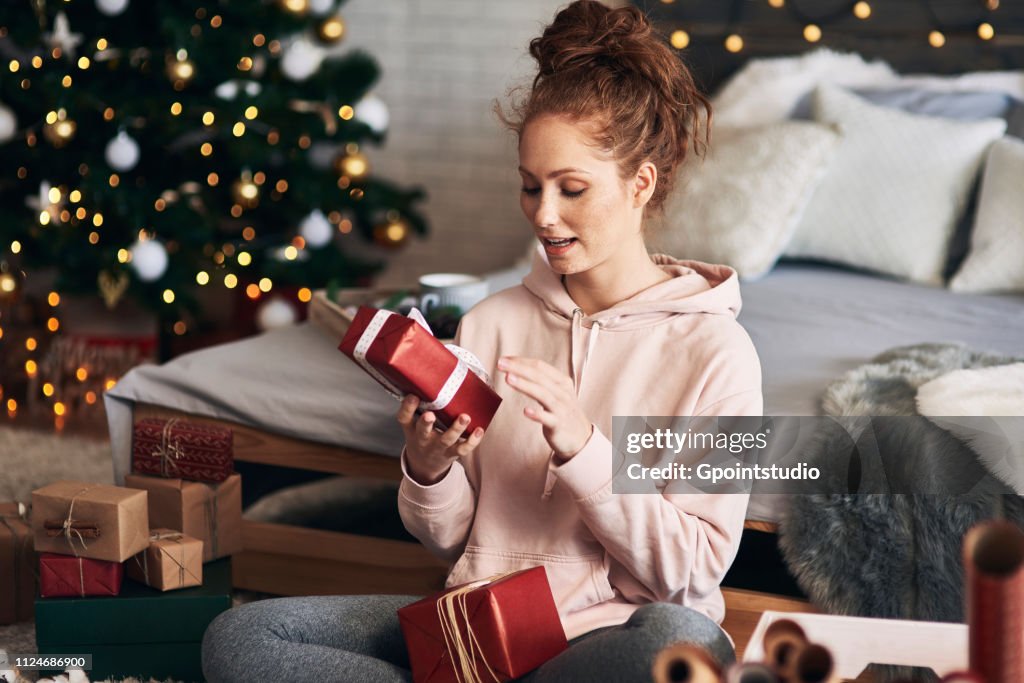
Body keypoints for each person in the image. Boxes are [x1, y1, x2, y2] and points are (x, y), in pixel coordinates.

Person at [202, 2, 762, 681]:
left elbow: (692, 569)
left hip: (610, 639)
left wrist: (586, 450)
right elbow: (454, 540)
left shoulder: (718, 354)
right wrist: (429, 465)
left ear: (640, 183)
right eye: (530, 187)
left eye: (572, 188)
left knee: (677, 641)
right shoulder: (492, 322)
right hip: (477, 630)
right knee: (242, 637)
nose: (544, 215)